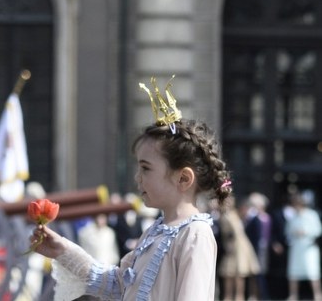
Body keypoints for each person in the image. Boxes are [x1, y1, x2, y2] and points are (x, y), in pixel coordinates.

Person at [28, 79, 232, 300]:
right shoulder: (156, 230)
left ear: (183, 178)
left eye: (146, 168)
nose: (138, 178)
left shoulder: (195, 234)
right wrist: (63, 251)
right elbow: (118, 285)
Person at [217, 195, 260, 301]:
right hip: (232, 247)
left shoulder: (235, 214)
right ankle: (229, 297)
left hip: (242, 248)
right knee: (229, 273)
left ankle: (239, 297)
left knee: (240, 274)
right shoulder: (225, 215)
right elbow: (226, 233)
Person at [285, 192, 322, 301]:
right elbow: (288, 231)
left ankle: (318, 295)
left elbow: (318, 230)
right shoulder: (293, 217)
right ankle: (293, 295)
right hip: (296, 248)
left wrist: (306, 232)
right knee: (293, 273)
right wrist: (295, 233)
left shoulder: (312, 215)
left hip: (309, 248)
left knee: (313, 272)